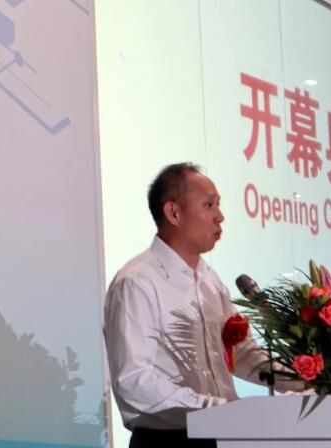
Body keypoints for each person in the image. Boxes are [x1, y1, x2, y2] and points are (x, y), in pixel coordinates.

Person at [104, 163, 297, 448]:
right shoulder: (136, 282)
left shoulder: (210, 281)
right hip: (167, 442)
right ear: (173, 213)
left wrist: (308, 381)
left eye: (218, 205)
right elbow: (135, 381)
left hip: (223, 437)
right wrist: (218, 408)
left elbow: (242, 354)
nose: (220, 216)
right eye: (209, 205)